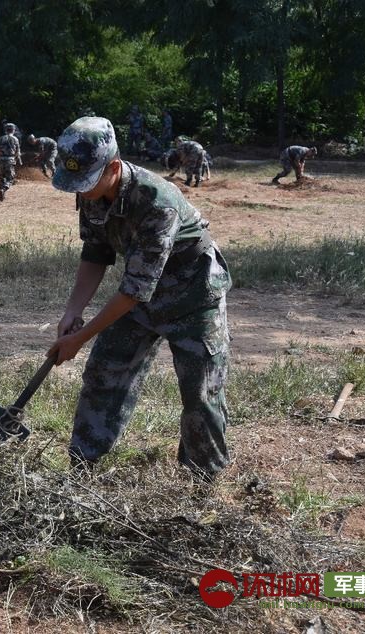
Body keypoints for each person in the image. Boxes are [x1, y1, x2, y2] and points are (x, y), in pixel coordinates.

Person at [49, 116, 232, 480]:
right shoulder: (93, 191)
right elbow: (96, 251)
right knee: (105, 371)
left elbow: (133, 291)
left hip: (194, 296)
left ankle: (203, 481)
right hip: (142, 295)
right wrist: (73, 311)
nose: (80, 191)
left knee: (200, 391)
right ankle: (83, 468)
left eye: (86, 182)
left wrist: (78, 340)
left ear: (113, 167)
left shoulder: (156, 203)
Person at [0, 123, 22, 202]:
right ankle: (4, 189)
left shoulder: (0, 138)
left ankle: (1, 190)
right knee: (10, 178)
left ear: (6, 130)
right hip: (10, 159)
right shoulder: (15, 139)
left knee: (2, 177)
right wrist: (16, 158)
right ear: (13, 130)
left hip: (2, 160)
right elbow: (18, 152)